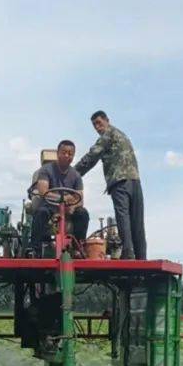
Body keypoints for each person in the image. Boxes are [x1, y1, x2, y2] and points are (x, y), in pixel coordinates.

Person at [74, 110, 146, 259]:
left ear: (107, 120)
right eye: (95, 126)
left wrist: (72, 174)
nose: (98, 128)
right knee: (136, 221)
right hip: (134, 180)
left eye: (99, 123)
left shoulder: (108, 134)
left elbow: (92, 156)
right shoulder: (121, 134)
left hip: (120, 181)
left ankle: (127, 253)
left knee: (123, 217)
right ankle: (141, 257)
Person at [28, 139, 89, 255]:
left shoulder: (76, 175)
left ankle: (78, 248)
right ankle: (34, 249)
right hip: (50, 206)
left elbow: (79, 198)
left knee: (82, 213)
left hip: (68, 209)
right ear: (58, 153)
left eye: (70, 154)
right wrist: (64, 198)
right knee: (41, 212)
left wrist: (72, 206)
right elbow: (43, 191)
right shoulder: (46, 170)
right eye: (64, 152)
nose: (67, 156)